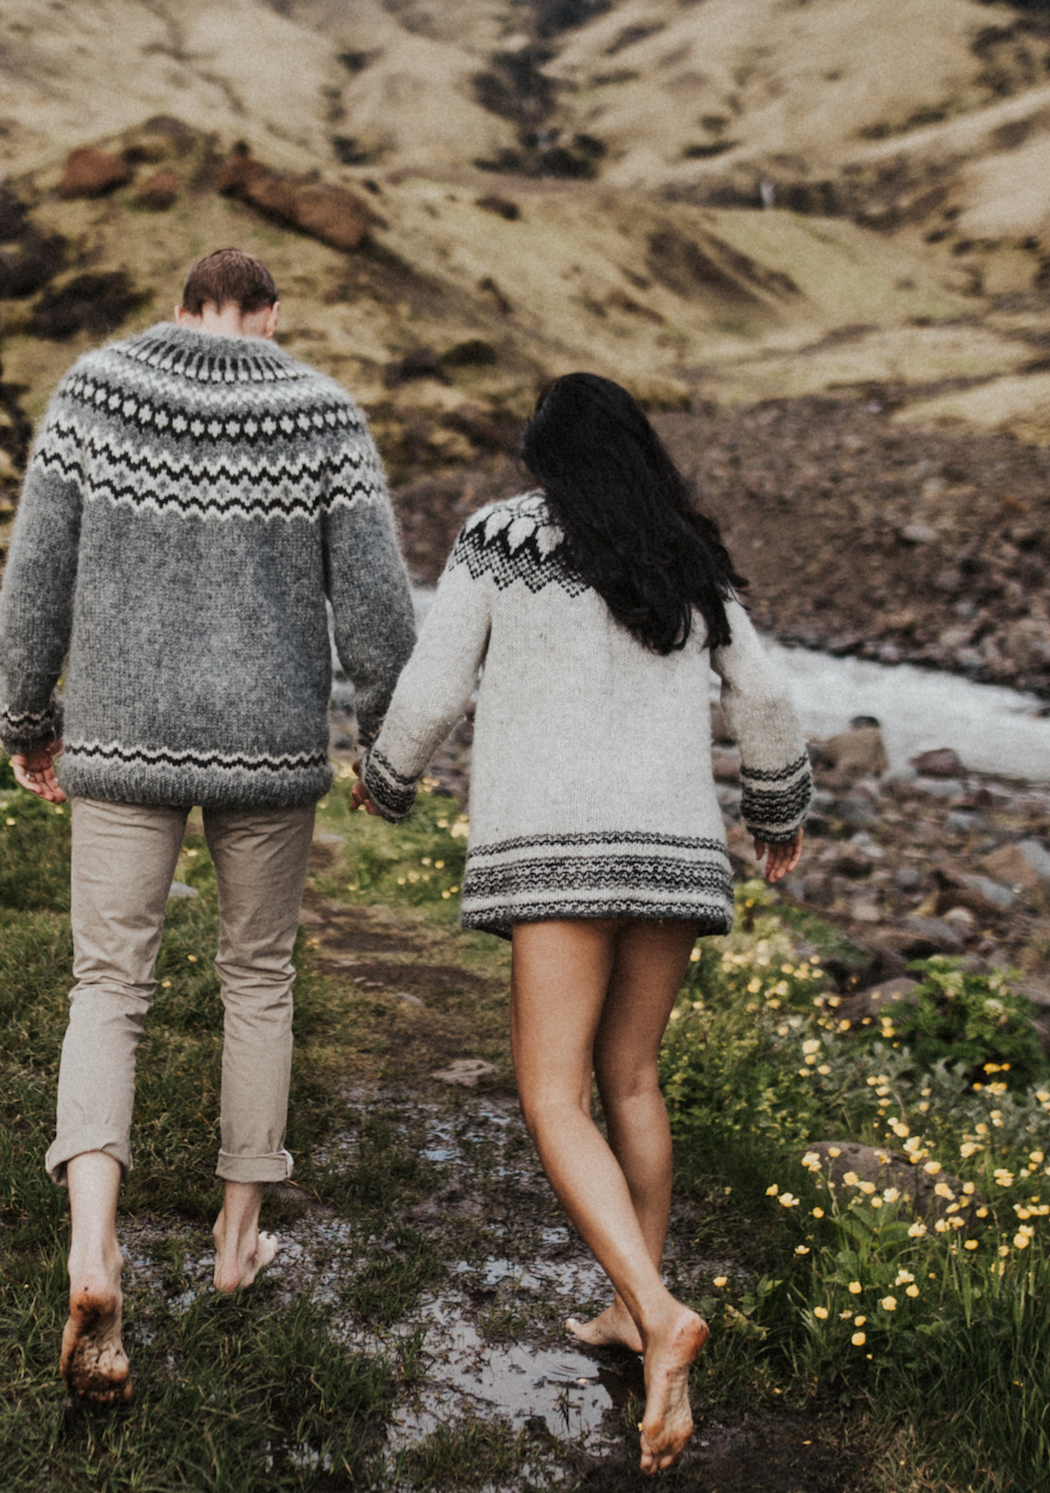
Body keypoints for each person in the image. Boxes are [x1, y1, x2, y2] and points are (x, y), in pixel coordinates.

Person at [353, 372, 811, 1476]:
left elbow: (433, 680)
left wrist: (386, 774)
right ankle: (625, 1303)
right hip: (673, 850)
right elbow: (765, 695)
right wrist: (777, 808)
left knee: (552, 1092)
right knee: (634, 1081)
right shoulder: (682, 551)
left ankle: (655, 1308)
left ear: (543, 459)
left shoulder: (497, 537)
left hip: (555, 848)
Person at [0, 247, 415, 1404]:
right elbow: (376, 605)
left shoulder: (94, 388)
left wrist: (30, 718)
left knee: (107, 985)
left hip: (121, 737)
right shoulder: (322, 411)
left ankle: (93, 1248)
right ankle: (235, 1243)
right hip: (269, 748)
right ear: (270, 316)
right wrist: (388, 749)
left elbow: (38, 572)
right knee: (258, 979)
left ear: (180, 307)